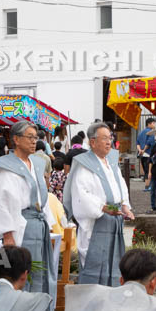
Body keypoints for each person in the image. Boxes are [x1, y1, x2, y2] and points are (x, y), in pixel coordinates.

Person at [0, 121, 56, 311]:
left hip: (38, 224)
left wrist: (49, 227)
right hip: (22, 225)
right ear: (16, 140)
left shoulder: (36, 164)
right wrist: (8, 234)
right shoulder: (8, 168)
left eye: (36, 137)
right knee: (23, 274)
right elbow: (1, 201)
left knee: (41, 273)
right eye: (29, 137)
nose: (34, 141)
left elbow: (42, 198)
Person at [63, 122, 133, 287]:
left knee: (114, 262)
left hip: (114, 219)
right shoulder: (84, 165)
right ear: (92, 142)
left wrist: (125, 206)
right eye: (104, 139)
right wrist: (102, 207)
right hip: (96, 223)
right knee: (95, 266)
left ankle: (111, 306)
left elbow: (120, 185)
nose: (109, 142)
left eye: (110, 138)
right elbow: (81, 194)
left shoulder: (111, 162)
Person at [136, 117, 156, 189]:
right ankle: (148, 186)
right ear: (149, 124)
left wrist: (140, 151)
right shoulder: (151, 132)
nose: (155, 125)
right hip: (148, 153)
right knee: (149, 170)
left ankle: (146, 186)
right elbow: (149, 143)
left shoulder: (141, 132)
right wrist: (144, 150)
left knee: (145, 171)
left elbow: (137, 143)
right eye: (153, 123)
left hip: (142, 155)